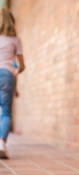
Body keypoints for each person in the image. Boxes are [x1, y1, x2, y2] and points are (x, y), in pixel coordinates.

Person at [0, 8, 25, 159]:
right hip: (7, 75)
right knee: (6, 112)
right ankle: (1, 143)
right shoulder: (15, 40)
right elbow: (21, 65)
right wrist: (15, 73)